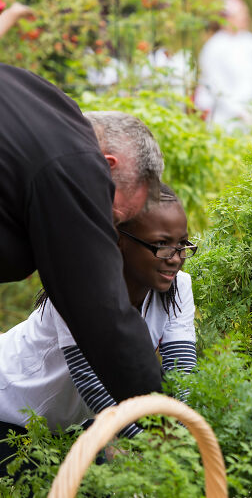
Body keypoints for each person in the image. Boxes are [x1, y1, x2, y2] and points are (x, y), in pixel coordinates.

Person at [0, 184, 197, 478]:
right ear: (119, 241)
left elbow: (181, 372)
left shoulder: (178, 286)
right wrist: (152, 443)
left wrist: (185, 435)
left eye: (182, 244)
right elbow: (89, 379)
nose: (176, 258)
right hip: (9, 408)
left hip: (71, 423)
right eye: (162, 244)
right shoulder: (78, 285)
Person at [0, 64, 164, 404]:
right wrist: (161, 417)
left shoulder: (49, 108)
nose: (106, 232)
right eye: (111, 217)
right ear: (107, 165)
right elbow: (102, 314)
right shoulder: (76, 163)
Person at [194, 0, 252, 131]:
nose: (246, 18)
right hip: (224, 118)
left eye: (246, 14)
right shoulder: (214, 47)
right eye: (241, 14)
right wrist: (239, 111)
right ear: (226, 18)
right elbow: (215, 86)